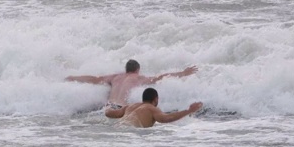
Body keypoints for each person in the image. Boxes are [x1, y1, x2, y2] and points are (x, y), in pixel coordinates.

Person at [65, 59, 197, 109]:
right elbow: (160, 78)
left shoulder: (115, 77)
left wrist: (72, 77)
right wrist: (183, 73)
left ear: (126, 69)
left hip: (107, 107)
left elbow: (94, 79)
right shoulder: (138, 78)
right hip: (121, 109)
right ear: (137, 70)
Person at [104, 88, 203, 127]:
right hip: (129, 132)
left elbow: (109, 113)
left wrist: (108, 106)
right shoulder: (151, 109)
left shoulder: (130, 106)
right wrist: (189, 111)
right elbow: (167, 118)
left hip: (117, 128)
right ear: (155, 99)